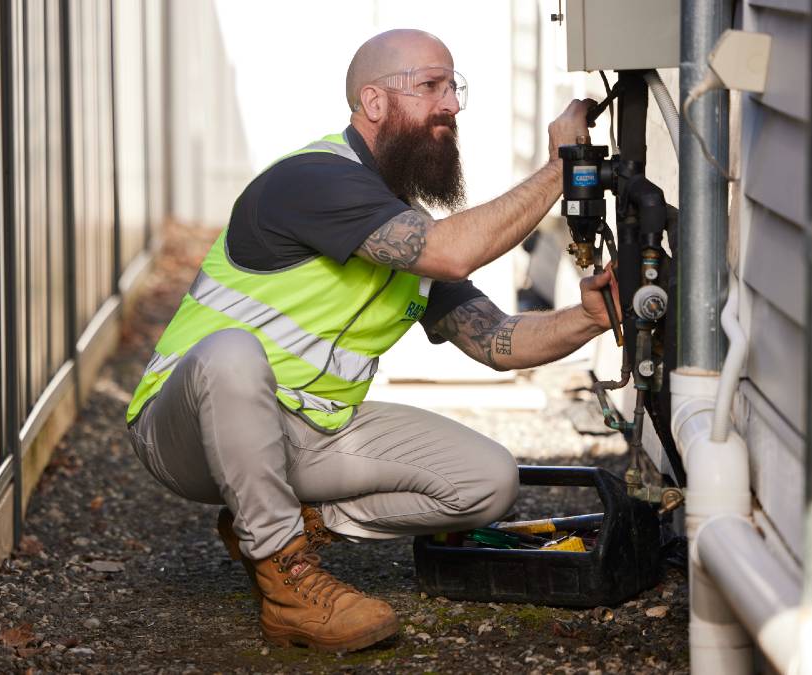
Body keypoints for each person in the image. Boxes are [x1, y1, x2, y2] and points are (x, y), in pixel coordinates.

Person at [125, 29, 614, 652]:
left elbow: (498, 341)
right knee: (231, 352)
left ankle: (283, 525)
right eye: (431, 86)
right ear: (374, 101)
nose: (452, 105)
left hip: (308, 433)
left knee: (489, 480)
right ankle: (286, 581)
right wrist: (563, 167)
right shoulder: (313, 179)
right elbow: (449, 252)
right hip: (185, 428)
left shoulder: (403, 225)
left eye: (454, 88)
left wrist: (590, 318)